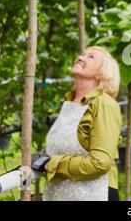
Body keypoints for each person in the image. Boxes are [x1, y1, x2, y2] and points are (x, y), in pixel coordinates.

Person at [34, 46, 122, 201]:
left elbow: (100, 163)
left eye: (91, 57)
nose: (81, 57)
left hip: (94, 194)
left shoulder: (104, 104)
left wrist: (54, 164)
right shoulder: (69, 103)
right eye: (82, 54)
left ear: (102, 71)